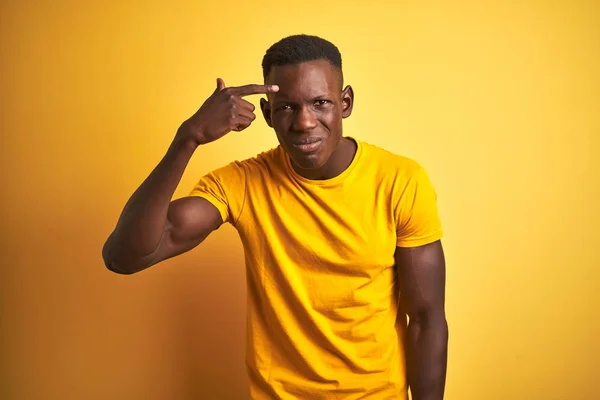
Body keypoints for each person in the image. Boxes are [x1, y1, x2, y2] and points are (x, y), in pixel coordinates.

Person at [102, 34, 448, 400]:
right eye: (286, 108)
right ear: (267, 114)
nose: (304, 122)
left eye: (320, 103)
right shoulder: (242, 183)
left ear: (344, 103)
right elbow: (124, 256)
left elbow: (426, 319)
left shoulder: (399, 181)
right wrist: (187, 138)